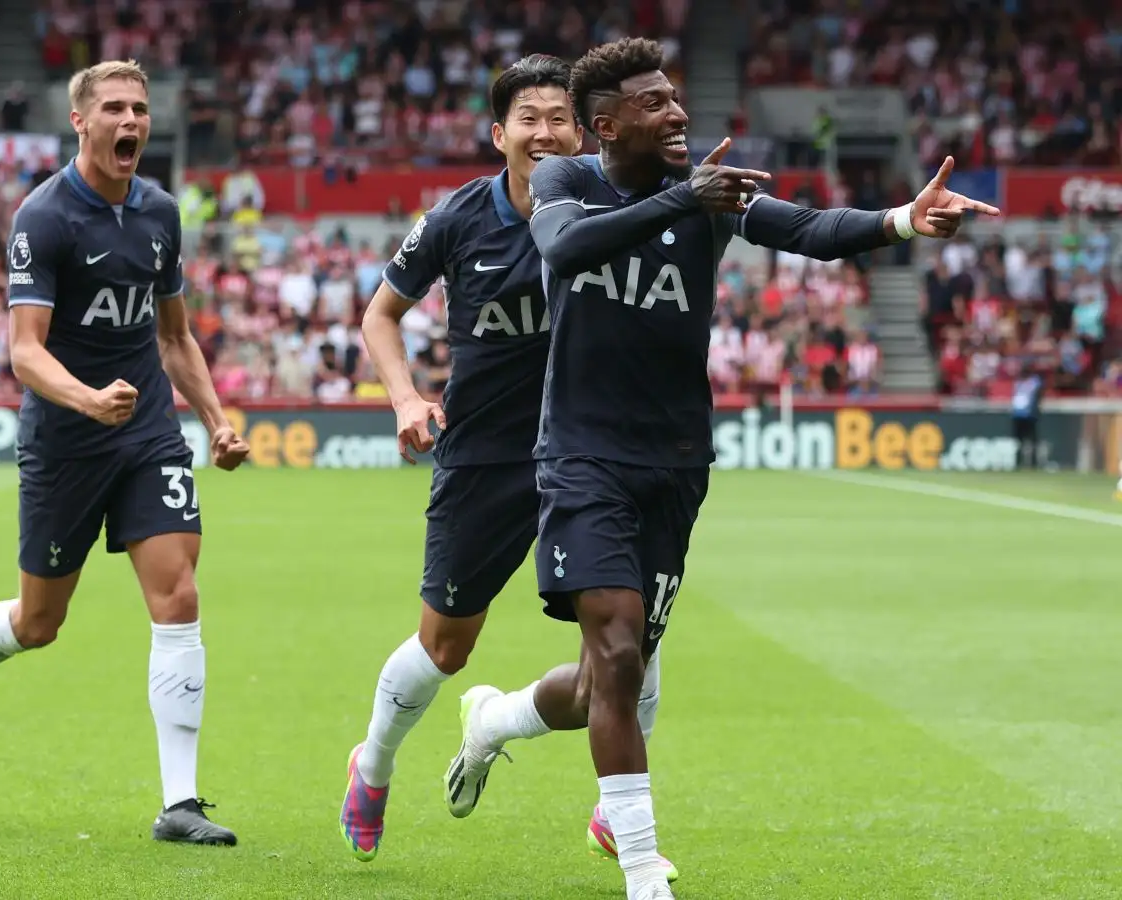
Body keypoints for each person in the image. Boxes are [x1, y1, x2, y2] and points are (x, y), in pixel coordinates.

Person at [459, 38, 998, 900]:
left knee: (608, 680)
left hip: (674, 465)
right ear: (605, 126)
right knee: (620, 653)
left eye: (677, 97)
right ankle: (644, 874)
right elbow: (561, 250)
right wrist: (683, 199)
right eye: (654, 104)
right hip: (581, 455)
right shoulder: (570, 182)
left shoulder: (711, 189)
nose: (677, 113)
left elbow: (812, 232)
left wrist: (902, 219)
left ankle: (494, 718)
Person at [0, 60, 250, 847]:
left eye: (140, 108)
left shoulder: (159, 211)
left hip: (148, 433)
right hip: (64, 439)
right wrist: (88, 400)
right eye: (115, 109)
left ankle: (180, 803)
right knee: (38, 622)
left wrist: (216, 420)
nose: (131, 121)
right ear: (82, 123)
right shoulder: (45, 217)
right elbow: (24, 352)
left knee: (179, 596)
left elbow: (173, 335)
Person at [337, 55, 675, 878]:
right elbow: (380, 318)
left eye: (559, 116)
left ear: (584, 130)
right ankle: (373, 762)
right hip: (489, 455)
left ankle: (615, 808)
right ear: (500, 135)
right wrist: (406, 399)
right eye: (528, 117)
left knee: (631, 650)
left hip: (594, 452)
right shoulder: (458, 219)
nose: (545, 131)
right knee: (446, 645)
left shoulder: (615, 202)